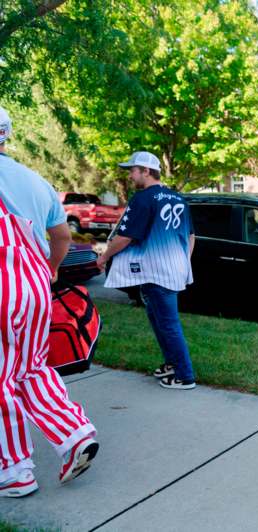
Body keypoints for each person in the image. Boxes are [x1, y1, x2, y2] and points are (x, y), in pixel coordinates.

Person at [0, 106, 99, 498]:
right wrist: (51, 270)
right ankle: (75, 435)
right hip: (33, 284)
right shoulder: (35, 181)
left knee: (2, 377)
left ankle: (14, 471)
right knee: (31, 367)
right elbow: (60, 237)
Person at [97, 151, 196, 390]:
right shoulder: (177, 198)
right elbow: (191, 236)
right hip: (171, 270)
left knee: (168, 323)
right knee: (160, 321)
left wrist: (104, 256)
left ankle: (185, 376)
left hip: (156, 272)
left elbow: (126, 236)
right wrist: (183, 262)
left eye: (132, 170)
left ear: (146, 171)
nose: (130, 176)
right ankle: (173, 364)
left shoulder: (143, 199)